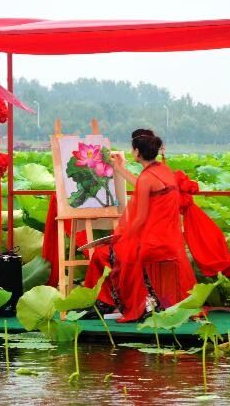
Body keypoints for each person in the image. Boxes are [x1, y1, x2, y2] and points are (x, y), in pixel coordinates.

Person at [84, 129, 196, 322]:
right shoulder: (162, 171)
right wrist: (119, 168)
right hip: (167, 239)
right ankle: (118, 302)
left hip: (151, 242)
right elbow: (143, 186)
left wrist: (122, 237)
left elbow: (140, 218)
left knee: (102, 255)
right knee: (113, 251)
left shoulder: (147, 178)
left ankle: (112, 303)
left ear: (137, 152)